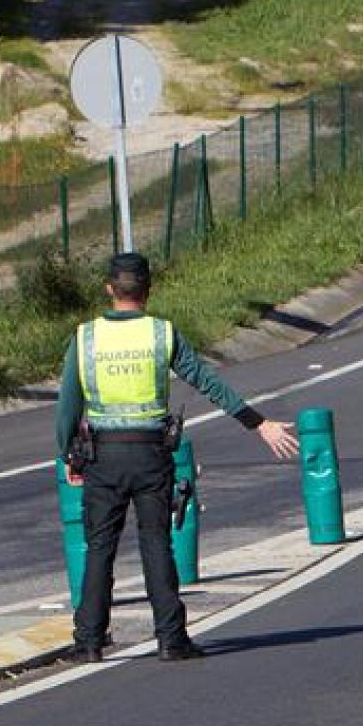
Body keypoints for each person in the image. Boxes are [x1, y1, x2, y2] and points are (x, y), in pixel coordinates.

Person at [58, 253, 299, 663]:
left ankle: (90, 641)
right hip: (151, 455)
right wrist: (257, 423)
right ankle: (171, 639)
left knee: (100, 547)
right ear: (148, 290)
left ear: (109, 290)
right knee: (156, 543)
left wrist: (68, 454)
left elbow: (67, 405)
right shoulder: (161, 334)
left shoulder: (85, 339)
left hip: (103, 457)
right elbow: (207, 381)